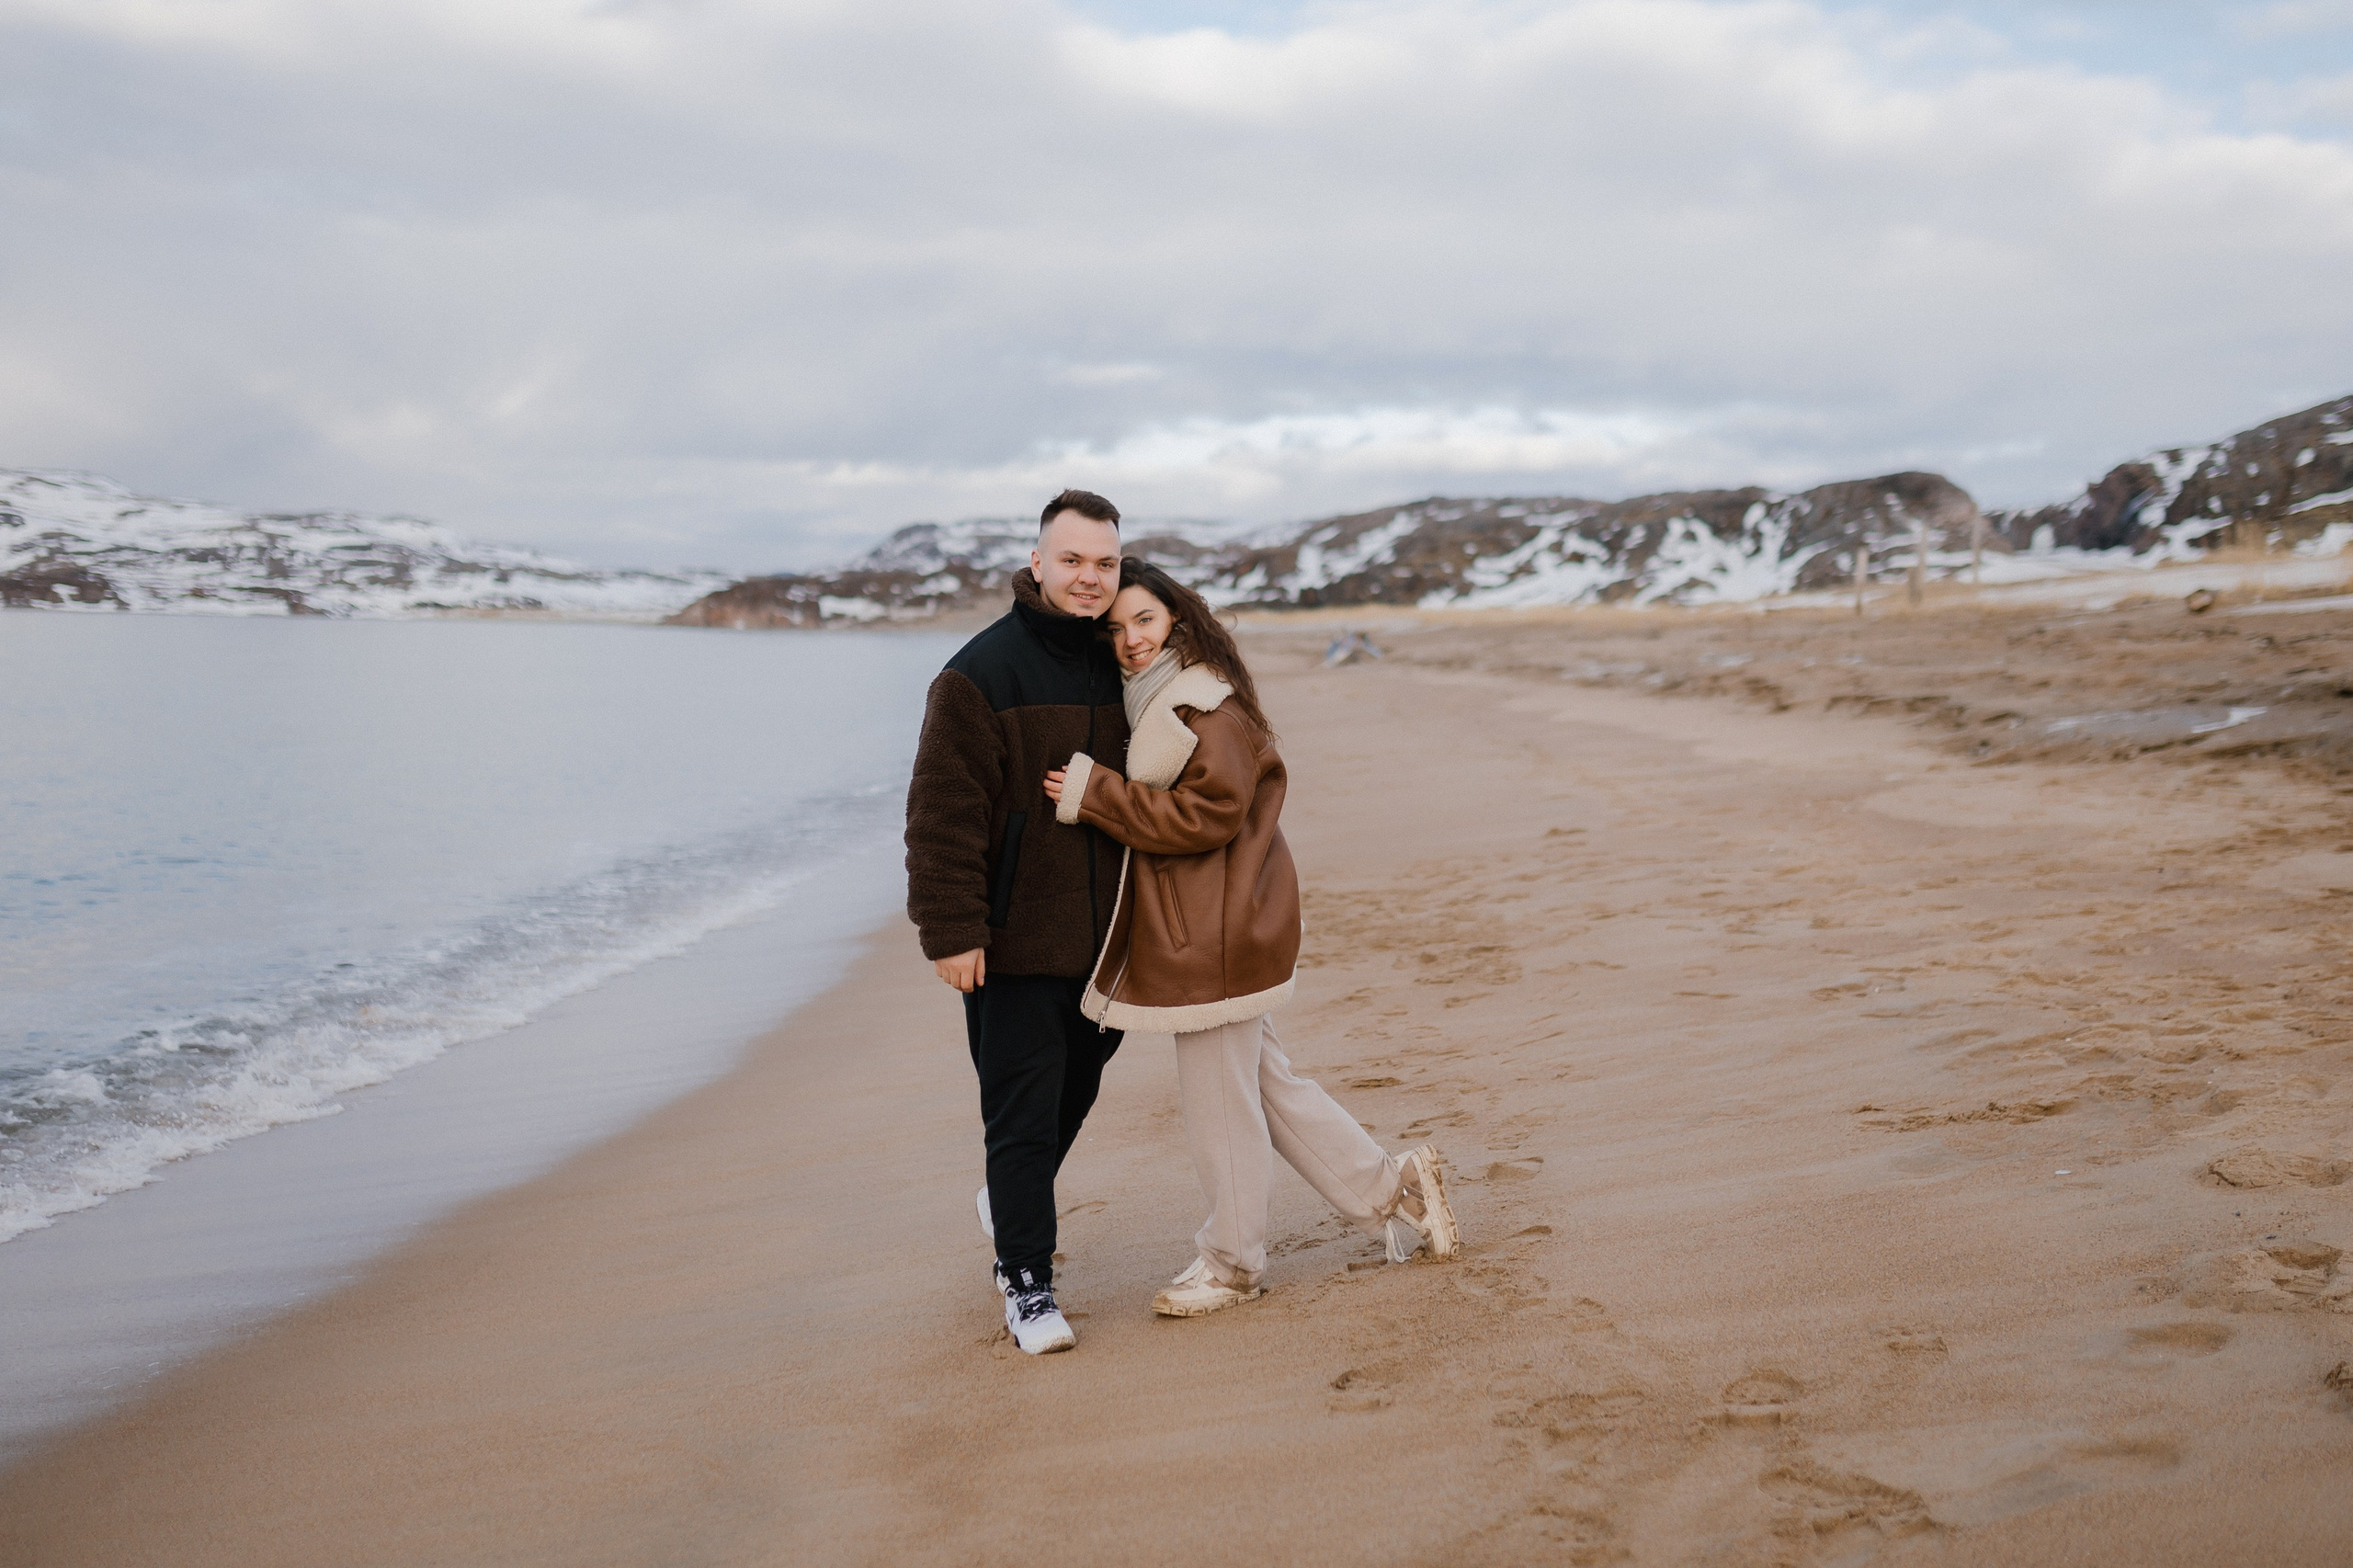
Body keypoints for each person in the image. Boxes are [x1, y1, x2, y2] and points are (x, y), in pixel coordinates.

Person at [1043, 559, 1461, 1318]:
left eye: (1144, 620)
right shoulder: (1158, 698)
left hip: (1216, 933)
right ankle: (1393, 1188)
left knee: (1219, 1106)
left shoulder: (1207, 707)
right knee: (1267, 1088)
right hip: (1214, 924)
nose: (1131, 639)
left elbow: (1208, 816)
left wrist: (1095, 793)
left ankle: (1233, 1263)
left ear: (1176, 618)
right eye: (1115, 629)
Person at [905, 489, 1131, 1355]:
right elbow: (941, 814)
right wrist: (952, 930)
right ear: (1037, 564)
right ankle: (1027, 1281)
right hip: (1012, 939)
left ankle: (1007, 1201)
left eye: (1105, 563)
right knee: (1023, 1113)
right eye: (1072, 560)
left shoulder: (1125, 664)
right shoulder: (979, 673)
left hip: (1109, 939)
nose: (1089, 577)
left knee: (1080, 1085)